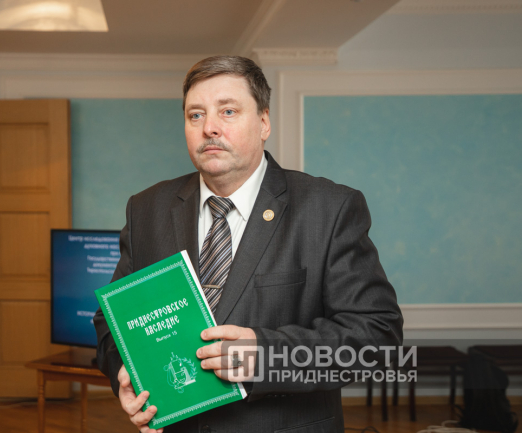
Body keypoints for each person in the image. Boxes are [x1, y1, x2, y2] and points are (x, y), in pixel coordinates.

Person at [94, 56, 403, 433]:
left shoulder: (329, 208)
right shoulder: (146, 209)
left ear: (263, 122)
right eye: (195, 115)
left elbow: (378, 338)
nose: (209, 127)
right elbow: (111, 321)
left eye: (228, 111)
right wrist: (126, 375)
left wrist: (265, 357)